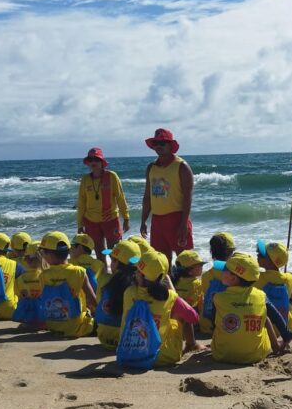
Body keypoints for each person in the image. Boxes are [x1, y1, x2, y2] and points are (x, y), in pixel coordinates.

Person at [121, 250, 203, 366]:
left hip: (129, 354)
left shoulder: (129, 292)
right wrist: (173, 291)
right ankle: (191, 343)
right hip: (161, 357)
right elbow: (193, 317)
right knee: (178, 313)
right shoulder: (169, 296)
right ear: (162, 276)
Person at [210, 253, 292, 364]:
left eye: (224, 269)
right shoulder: (261, 296)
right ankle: (275, 346)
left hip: (222, 354)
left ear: (233, 278)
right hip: (256, 355)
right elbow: (276, 316)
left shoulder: (217, 297)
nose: (221, 272)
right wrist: (287, 334)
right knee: (265, 318)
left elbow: (213, 323)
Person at [139, 128, 194, 262]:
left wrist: (183, 224)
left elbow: (188, 198)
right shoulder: (151, 167)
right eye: (156, 143)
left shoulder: (181, 166)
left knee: (186, 262)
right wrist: (143, 221)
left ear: (170, 145)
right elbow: (147, 196)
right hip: (157, 220)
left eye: (162, 143)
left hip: (177, 219)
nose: (159, 146)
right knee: (161, 263)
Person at [38, 231, 97, 338]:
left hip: (53, 327)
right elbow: (92, 300)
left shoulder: (43, 275)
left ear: (49, 255)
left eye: (43, 252)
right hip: (76, 328)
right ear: (69, 250)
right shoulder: (78, 271)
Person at [77, 147, 131, 259]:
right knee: (99, 254)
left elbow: (120, 198)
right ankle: (103, 270)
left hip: (110, 220)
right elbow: (81, 203)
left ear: (102, 162)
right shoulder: (85, 179)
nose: (93, 162)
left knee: (114, 253)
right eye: (91, 160)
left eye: (96, 159)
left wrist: (126, 218)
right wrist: (80, 224)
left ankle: (116, 270)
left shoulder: (111, 176)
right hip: (91, 222)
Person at [95, 239, 142, 349]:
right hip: (128, 340)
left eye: (112, 259)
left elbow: (99, 303)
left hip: (104, 336)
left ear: (116, 263)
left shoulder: (103, 280)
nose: (110, 262)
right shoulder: (139, 285)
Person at [199, 232, 235, 334]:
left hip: (206, 325)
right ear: (230, 251)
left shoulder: (205, 276)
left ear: (212, 251)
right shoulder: (236, 277)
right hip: (229, 326)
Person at [13, 241, 46, 331]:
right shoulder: (46, 276)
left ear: (27, 259)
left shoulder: (21, 278)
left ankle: (30, 323)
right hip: (45, 312)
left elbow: (18, 294)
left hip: (28, 312)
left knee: (24, 300)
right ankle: (43, 323)